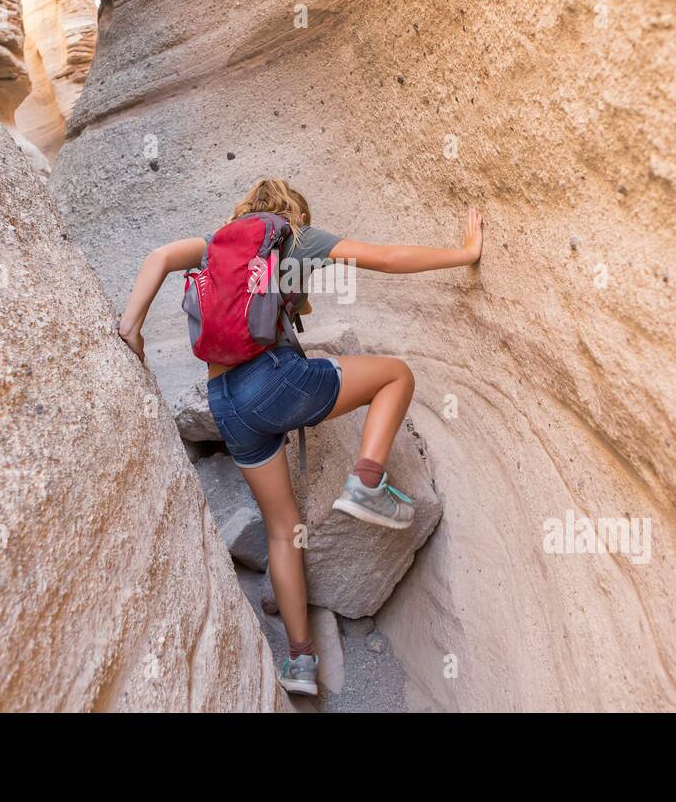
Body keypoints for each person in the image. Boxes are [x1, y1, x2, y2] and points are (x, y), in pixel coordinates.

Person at [117, 178, 484, 695]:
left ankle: (300, 662)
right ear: (292, 212)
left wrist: (130, 329)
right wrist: (463, 253)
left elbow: (156, 257)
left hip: (227, 407)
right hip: (275, 381)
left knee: (283, 531)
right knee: (395, 375)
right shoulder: (296, 238)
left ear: (244, 211)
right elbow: (386, 257)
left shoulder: (215, 244)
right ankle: (367, 481)